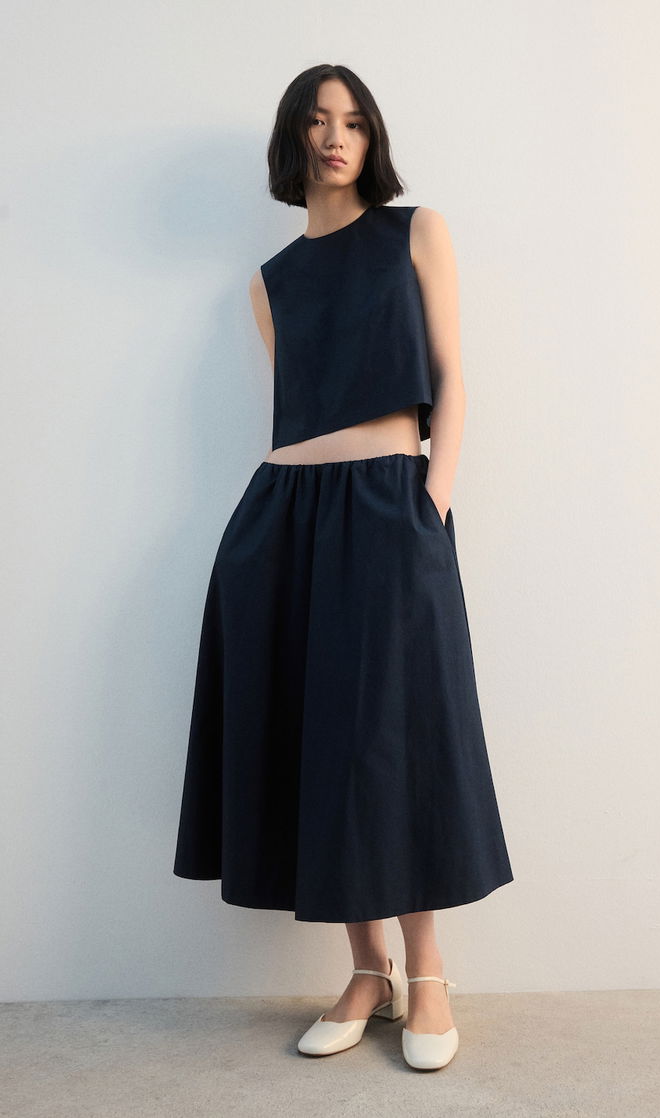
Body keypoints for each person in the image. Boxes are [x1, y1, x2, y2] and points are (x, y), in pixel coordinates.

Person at [173, 63, 514, 1072]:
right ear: (294, 137)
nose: (335, 137)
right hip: (281, 519)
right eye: (318, 121)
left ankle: (427, 971)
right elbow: (296, 408)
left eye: (354, 122)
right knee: (319, 740)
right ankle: (366, 971)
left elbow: (451, 378)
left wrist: (429, 503)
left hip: (386, 506)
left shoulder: (415, 233)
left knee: (390, 736)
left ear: (372, 140)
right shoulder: (268, 282)